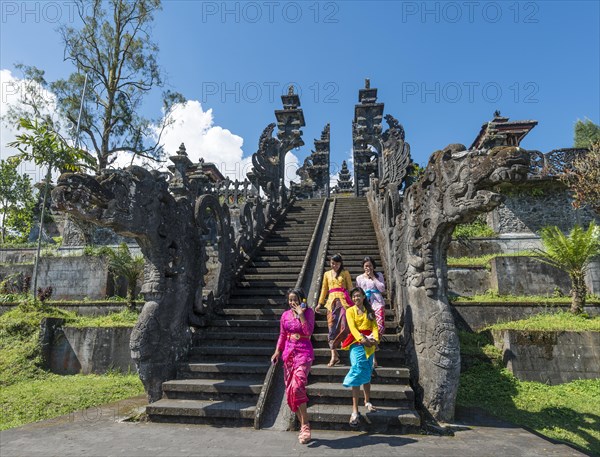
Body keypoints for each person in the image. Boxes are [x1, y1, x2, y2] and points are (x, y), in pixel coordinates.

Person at [271, 288, 315, 444]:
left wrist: (301, 314)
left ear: (301, 299)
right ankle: (304, 425)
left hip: (304, 353)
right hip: (289, 355)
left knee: (297, 387)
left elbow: (308, 330)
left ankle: (305, 425)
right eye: (290, 300)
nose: (292, 302)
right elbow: (282, 335)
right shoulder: (285, 316)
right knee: (291, 391)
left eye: (295, 299)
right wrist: (277, 351)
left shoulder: (308, 312)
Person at [341, 287, 379, 427]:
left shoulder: (370, 311)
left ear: (363, 296)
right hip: (356, 343)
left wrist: (374, 339)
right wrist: (362, 339)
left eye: (358, 296)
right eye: (354, 296)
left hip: (370, 344)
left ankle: (367, 400)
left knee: (367, 371)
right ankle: (355, 410)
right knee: (357, 369)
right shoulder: (350, 311)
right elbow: (352, 327)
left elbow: (375, 327)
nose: (356, 298)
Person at [315, 253, 353, 367]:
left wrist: (355, 302)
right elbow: (324, 289)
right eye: (332, 263)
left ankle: (344, 346)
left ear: (340, 263)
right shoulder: (327, 274)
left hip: (344, 302)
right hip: (331, 303)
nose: (334, 265)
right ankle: (334, 355)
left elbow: (350, 288)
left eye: (336, 263)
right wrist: (319, 303)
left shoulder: (345, 273)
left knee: (344, 325)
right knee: (331, 327)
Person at [355, 256, 386, 367]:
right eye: (366, 266)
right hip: (366, 305)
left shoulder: (379, 275)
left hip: (378, 303)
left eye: (370, 265)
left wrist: (373, 277)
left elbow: (382, 289)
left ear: (373, 266)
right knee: (369, 330)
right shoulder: (359, 278)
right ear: (363, 267)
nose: (368, 268)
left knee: (380, 327)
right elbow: (358, 292)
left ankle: (375, 343)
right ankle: (373, 359)